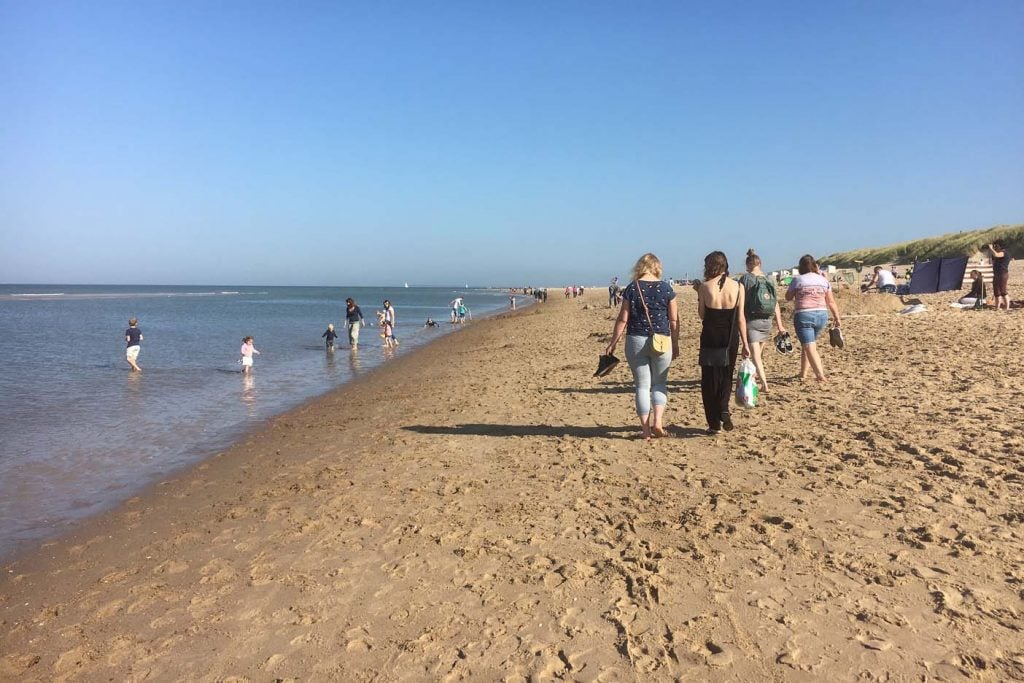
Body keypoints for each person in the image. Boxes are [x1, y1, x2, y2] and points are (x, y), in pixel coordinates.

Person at [604, 253, 679, 441]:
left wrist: (613, 342)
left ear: (639, 267)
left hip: (636, 340)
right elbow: (673, 319)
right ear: (657, 267)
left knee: (642, 386)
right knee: (660, 383)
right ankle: (658, 423)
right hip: (662, 340)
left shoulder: (632, 288)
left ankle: (645, 431)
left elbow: (623, 318)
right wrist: (675, 343)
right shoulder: (666, 288)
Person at [698, 252, 750, 435]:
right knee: (726, 375)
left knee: (709, 379)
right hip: (730, 337)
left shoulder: (705, 287)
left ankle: (713, 424)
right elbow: (741, 318)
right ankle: (724, 408)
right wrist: (746, 343)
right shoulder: (738, 287)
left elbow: (703, 315)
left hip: (710, 336)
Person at [737, 249, 787, 394]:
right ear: (760, 264)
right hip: (767, 321)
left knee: (756, 356)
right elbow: (775, 303)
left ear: (747, 265)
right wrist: (780, 325)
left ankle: (764, 384)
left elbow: (740, 302)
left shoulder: (745, 279)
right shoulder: (769, 280)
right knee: (758, 353)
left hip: (752, 320)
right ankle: (755, 376)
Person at [786, 255, 842, 382]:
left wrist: (796, 293)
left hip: (804, 314)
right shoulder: (823, 280)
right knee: (808, 344)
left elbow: (788, 297)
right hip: (822, 315)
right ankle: (803, 373)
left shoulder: (798, 280)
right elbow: (831, 301)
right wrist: (837, 317)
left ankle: (820, 375)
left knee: (809, 346)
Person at [989, 240, 1011, 311]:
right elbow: (992, 261)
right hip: (996, 274)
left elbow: (997, 255)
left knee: (1003, 290)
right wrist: (992, 252)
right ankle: (997, 307)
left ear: (1000, 246)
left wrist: (991, 248)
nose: (995, 247)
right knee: (996, 291)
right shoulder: (996, 253)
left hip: (1003, 273)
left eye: (996, 246)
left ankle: (1007, 307)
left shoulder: (1004, 253)